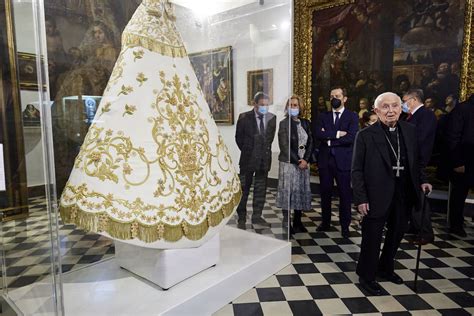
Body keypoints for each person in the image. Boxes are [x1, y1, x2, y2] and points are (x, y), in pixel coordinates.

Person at [352, 92, 432, 296]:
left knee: (396, 234)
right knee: (372, 237)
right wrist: (361, 198)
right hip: (376, 195)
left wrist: (422, 179)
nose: (390, 110)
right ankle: (366, 276)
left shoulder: (410, 130)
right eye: (385, 107)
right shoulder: (365, 135)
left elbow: (417, 160)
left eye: (395, 106)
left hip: (403, 193)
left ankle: (385, 268)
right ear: (376, 111)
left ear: (401, 108)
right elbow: (357, 170)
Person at [314, 86, 359, 238]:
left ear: (344, 98)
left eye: (337, 95)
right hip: (325, 162)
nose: (334, 98)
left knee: (345, 194)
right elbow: (318, 134)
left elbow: (351, 138)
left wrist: (329, 141)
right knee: (325, 193)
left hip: (343, 162)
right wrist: (338, 134)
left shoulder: (352, 116)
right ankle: (325, 222)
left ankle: (345, 226)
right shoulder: (323, 116)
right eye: (332, 95)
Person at [235, 92, 276, 228]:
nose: (265, 107)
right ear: (255, 104)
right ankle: (241, 217)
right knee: (244, 189)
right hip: (248, 160)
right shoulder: (244, 117)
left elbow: (269, 139)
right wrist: (249, 151)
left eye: (267, 105)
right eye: (262, 105)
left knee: (260, 190)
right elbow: (238, 138)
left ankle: (257, 216)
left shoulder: (272, 118)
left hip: (263, 160)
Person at [402, 89, 437, 244]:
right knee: (410, 195)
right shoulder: (412, 116)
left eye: (404, 100)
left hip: (417, 160)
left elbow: (420, 140)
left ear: (413, 99)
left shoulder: (426, 115)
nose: (403, 104)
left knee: (419, 197)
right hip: (410, 160)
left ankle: (425, 232)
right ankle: (415, 226)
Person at [276, 95, 314, 234]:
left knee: (300, 191)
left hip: (304, 163)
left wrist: (306, 160)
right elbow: (284, 146)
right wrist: (298, 160)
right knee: (289, 192)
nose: (293, 107)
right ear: (287, 107)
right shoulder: (283, 123)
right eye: (290, 105)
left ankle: (298, 222)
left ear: (300, 107)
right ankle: (287, 223)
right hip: (289, 163)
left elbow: (311, 142)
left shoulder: (305, 122)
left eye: (295, 105)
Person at [445, 94, 474, 237]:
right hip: (464, 160)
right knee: (459, 194)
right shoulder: (462, 109)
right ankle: (455, 225)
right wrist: (457, 162)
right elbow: (452, 136)